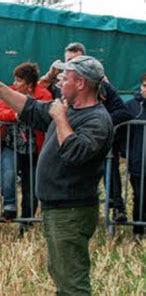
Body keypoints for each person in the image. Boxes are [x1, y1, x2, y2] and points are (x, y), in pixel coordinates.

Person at [0, 55, 113, 295]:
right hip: (57, 209)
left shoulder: (97, 120)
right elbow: (30, 108)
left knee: (72, 283)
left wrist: (60, 117)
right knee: (62, 275)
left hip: (71, 212)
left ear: (81, 83)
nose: (60, 82)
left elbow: (73, 152)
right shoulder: (66, 108)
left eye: (66, 78)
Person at [41, 42, 132, 222]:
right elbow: (37, 95)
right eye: (67, 61)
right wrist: (49, 76)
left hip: (95, 141)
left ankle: (117, 207)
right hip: (65, 145)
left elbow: (123, 111)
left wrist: (100, 125)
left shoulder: (102, 84)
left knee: (110, 170)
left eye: (75, 61)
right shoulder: (61, 83)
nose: (70, 66)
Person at [0, 62, 52, 229]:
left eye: (19, 80)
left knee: (31, 187)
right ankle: (9, 207)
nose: (15, 83)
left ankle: (27, 220)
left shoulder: (44, 95)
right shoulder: (9, 91)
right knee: (7, 174)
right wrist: (14, 114)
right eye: (15, 79)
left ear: (29, 83)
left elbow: (47, 114)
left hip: (35, 148)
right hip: (11, 144)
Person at [123, 73, 146, 238]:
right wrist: (128, 152)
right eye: (144, 85)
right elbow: (122, 132)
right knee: (139, 196)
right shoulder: (131, 106)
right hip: (138, 162)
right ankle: (138, 230)